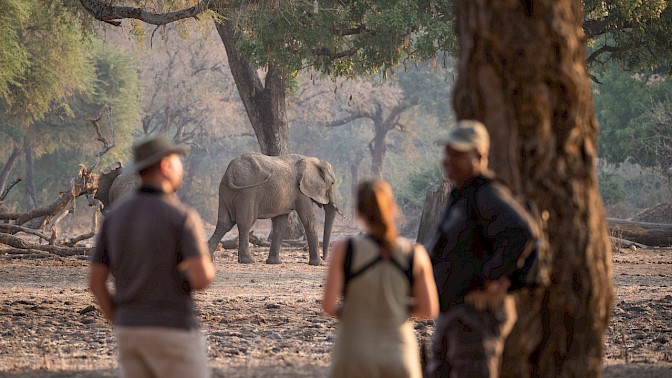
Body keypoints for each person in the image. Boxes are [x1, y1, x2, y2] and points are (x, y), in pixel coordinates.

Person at [88, 134, 215, 378]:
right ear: (165, 165)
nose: (180, 167)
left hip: (128, 331)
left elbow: (95, 282)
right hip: (172, 328)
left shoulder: (113, 218)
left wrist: (119, 318)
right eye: (177, 161)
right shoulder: (180, 216)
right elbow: (202, 279)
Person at [425, 120, 539, 377]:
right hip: (453, 312)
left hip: (473, 316)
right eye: (447, 153)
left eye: (457, 155)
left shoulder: (487, 194)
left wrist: (490, 278)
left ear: (480, 156)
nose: (448, 160)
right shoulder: (462, 194)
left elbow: (522, 232)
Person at [322, 179, 439, 378]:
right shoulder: (415, 253)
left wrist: (357, 310)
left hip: (354, 353)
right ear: (393, 209)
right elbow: (429, 309)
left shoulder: (345, 249)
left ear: (358, 213)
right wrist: (396, 308)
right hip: (399, 355)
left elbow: (328, 305)